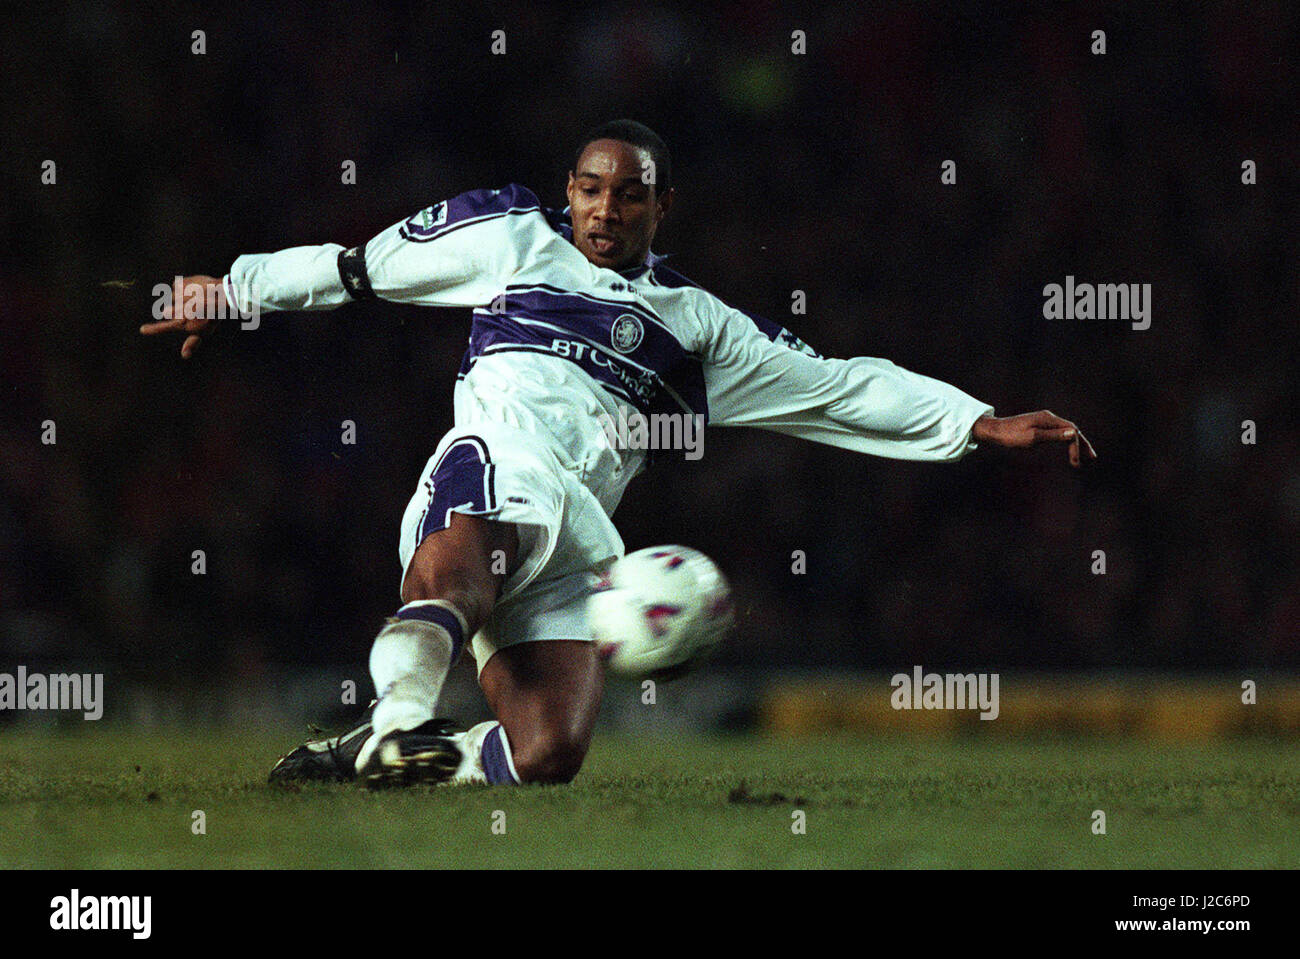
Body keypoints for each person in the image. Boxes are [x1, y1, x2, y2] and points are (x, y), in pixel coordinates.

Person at [141, 120, 1096, 787]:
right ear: (569, 190)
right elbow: (361, 270)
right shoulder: (511, 236)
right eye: (591, 190)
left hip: (584, 534)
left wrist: (975, 421)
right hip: (498, 457)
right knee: (461, 576)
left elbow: (838, 386)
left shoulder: (698, 326)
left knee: (546, 754)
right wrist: (234, 291)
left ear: (662, 205)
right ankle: (398, 724)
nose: (605, 210)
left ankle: (368, 756)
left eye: (629, 196)